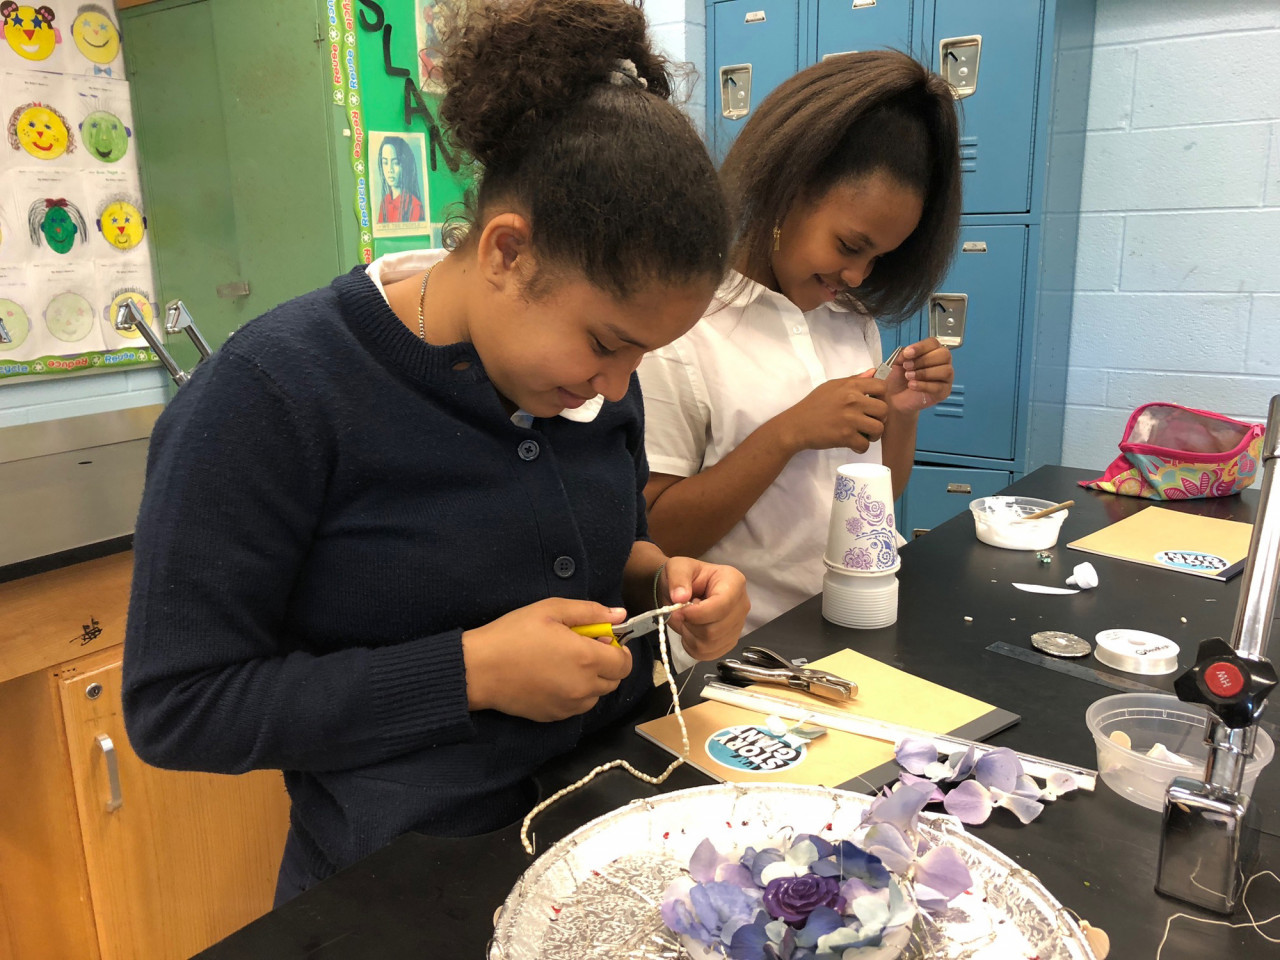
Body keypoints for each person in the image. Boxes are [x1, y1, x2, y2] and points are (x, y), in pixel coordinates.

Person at [122, 0, 748, 906]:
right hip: (408, 889)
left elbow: (597, 551)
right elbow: (179, 707)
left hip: (616, 838)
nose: (619, 386)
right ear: (505, 252)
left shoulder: (581, 377)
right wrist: (471, 673)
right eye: (608, 343)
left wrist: (664, 586)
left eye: (644, 356)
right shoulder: (273, 394)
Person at [639, 50, 962, 634]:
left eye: (878, 257)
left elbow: (873, 501)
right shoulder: (683, 327)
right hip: (740, 652)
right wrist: (789, 432)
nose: (859, 276)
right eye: (848, 245)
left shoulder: (850, 322)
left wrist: (902, 414)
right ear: (790, 187)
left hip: (846, 624)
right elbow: (656, 534)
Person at [376, 135, 425, 223]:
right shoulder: (385, 202)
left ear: (405, 165)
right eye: (385, 163)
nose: (390, 169)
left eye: (396, 163)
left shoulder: (414, 206)